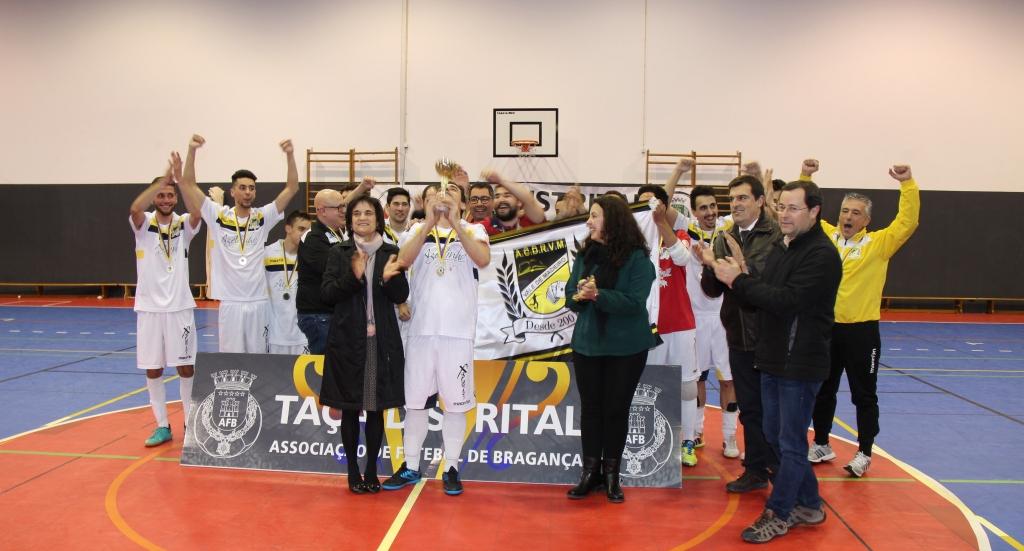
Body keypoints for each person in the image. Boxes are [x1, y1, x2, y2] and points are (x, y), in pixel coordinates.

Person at [712, 180, 841, 543]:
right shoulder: (786, 246)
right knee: (775, 435)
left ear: (814, 212)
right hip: (773, 358)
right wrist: (745, 276)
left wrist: (739, 280)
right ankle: (810, 503)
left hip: (798, 364)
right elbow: (764, 295)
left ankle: (780, 512)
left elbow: (786, 301)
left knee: (789, 443)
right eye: (781, 207)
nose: (784, 214)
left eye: (793, 208)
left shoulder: (820, 256)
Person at [801, 160, 920, 477]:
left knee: (863, 395)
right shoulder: (827, 237)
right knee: (823, 390)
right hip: (827, 331)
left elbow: (907, 222)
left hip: (862, 333)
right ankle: (822, 443)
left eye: (855, 213)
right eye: (844, 211)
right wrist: (806, 177)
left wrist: (907, 184)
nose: (847, 217)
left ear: (867, 219)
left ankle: (865, 452)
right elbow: (804, 211)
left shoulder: (878, 244)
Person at [383, 180, 490, 496]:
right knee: (415, 403)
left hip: (457, 334)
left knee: (455, 405)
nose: (446, 197)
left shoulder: (473, 230)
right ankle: (411, 466)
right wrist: (429, 220)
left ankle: (452, 467)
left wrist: (456, 222)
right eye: (440, 194)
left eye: (453, 193)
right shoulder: (416, 230)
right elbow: (402, 259)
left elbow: (482, 259)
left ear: (464, 202)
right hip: (420, 332)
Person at [564, 196, 658, 503]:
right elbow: (568, 296)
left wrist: (597, 295)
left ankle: (612, 475)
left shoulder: (638, 258)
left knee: (616, 410)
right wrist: (578, 296)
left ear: (613, 221)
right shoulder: (585, 254)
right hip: (588, 344)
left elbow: (634, 303)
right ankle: (590, 473)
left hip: (626, 347)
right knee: (591, 410)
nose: (589, 222)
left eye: (594, 216)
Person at [697, 174, 781, 493]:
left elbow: (766, 283)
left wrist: (740, 268)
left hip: (770, 335)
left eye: (743, 198)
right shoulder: (724, 236)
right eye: (732, 199)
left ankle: (780, 468)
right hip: (738, 336)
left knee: (774, 410)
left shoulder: (775, 236)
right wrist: (708, 266)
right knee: (750, 408)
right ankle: (756, 469)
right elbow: (712, 290)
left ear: (760, 201)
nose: (736, 204)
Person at [319, 196, 408, 494]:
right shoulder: (339, 252)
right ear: (349, 220)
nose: (361, 218)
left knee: (375, 409)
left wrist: (386, 280)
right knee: (349, 409)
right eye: (356, 213)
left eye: (368, 212)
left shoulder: (390, 252)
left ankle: (371, 470)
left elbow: (400, 295)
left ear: (378, 218)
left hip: (379, 343)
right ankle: (352, 472)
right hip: (347, 343)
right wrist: (354, 277)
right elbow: (327, 294)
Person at [178, 134, 299, 353]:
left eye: (252, 188)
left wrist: (290, 155)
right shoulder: (218, 215)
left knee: (259, 360)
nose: (248, 192)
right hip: (230, 303)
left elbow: (291, 188)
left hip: (259, 301)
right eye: (242, 187)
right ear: (232, 191)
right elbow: (188, 184)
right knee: (231, 358)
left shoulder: (263, 217)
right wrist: (192, 150)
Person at [129, 154, 201, 447]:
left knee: (186, 368)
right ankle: (162, 426)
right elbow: (135, 207)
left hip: (180, 308)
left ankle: (190, 424)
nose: (166, 199)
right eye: (161, 194)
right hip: (148, 309)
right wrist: (163, 176)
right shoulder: (143, 224)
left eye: (170, 195)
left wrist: (180, 180)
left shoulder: (184, 224)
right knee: (154, 368)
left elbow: (197, 211)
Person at [636, 184, 701, 468]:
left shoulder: (681, 235)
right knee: (648, 388)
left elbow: (682, 258)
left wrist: (661, 223)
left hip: (680, 324)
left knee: (687, 388)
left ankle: (687, 441)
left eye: (650, 204)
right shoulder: (634, 243)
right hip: (647, 327)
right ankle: (657, 443)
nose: (646, 210)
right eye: (640, 205)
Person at [680, 185, 740, 459]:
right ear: (694, 211)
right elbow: (664, 213)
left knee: (729, 379)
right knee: (698, 378)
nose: (709, 212)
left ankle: (730, 438)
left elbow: (758, 210)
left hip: (725, 316)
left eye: (713, 206)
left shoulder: (728, 229)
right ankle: (698, 431)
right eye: (703, 207)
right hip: (697, 318)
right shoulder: (687, 232)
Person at [296, 189, 346, 354]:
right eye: (338, 208)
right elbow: (333, 271)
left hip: (329, 313)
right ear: (322, 211)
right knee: (324, 367)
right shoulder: (314, 238)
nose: (343, 211)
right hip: (319, 314)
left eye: (343, 206)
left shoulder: (337, 233)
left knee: (334, 366)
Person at [264, 210, 312, 354]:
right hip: (274, 333)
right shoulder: (267, 253)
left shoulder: (311, 256)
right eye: (301, 229)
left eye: (308, 231)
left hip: (302, 334)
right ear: (288, 228)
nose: (305, 234)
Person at [479, 170, 546, 234]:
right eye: (497, 196)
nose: (501, 200)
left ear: (519, 202)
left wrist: (500, 181)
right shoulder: (484, 228)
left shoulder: (530, 222)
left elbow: (529, 201)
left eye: (507, 196)